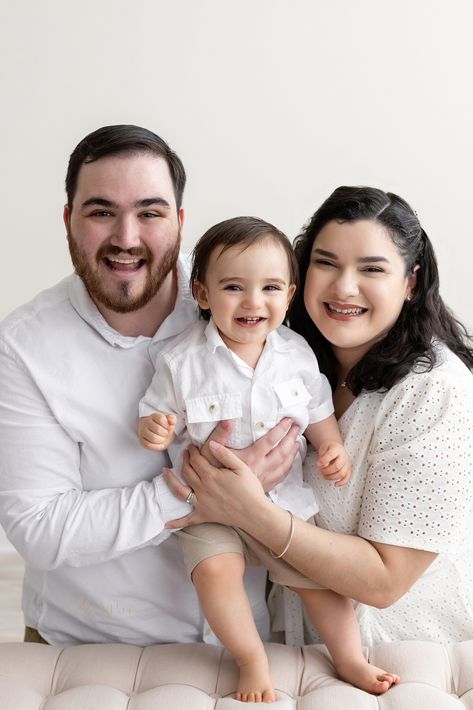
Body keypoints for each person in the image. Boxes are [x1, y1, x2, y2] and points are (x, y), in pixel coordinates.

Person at [0, 124, 298, 646]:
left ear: (180, 222)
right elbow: (42, 530)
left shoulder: (244, 298)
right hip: (89, 650)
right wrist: (203, 494)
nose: (126, 238)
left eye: (150, 212)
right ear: (68, 221)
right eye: (100, 211)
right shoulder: (23, 346)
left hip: (252, 642)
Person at [165, 186, 473, 658]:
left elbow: (387, 580)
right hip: (295, 645)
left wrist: (248, 508)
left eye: (371, 269)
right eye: (326, 263)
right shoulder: (289, 355)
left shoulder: (434, 391)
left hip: (405, 653)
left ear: (410, 282)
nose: (344, 287)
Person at [138, 216, 392, 701]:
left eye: (270, 287)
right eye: (234, 287)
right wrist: (154, 429)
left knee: (320, 579)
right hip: (210, 507)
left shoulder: (295, 354)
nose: (254, 302)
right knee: (214, 573)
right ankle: (252, 660)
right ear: (204, 294)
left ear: (290, 294)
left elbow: (316, 410)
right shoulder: (180, 361)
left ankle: (351, 659)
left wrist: (333, 445)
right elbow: (154, 413)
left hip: (281, 504)